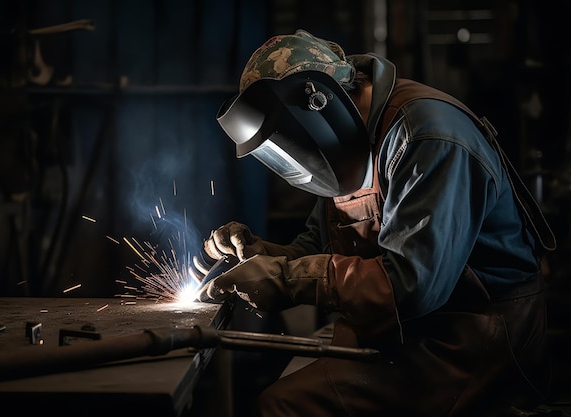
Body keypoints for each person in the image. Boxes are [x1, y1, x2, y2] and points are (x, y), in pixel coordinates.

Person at [192, 29, 557, 417]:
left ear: (318, 105)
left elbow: (412, 286)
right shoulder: (349, 144)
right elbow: (317, 249)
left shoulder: (427, 137)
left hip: (474, 344)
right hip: (412, 336)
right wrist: (259, 256)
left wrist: (285, 276)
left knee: (281, 405)